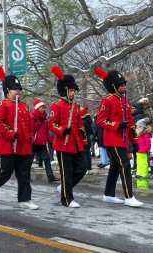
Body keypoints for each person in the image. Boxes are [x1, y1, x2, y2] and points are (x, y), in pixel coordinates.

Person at [0, 66, 39, 210]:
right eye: (15, 88)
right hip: (8, 145)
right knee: (6, 172)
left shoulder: (24, 106)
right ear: (8, 90)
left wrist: (30, 139)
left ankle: (24, 199)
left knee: (24, 174)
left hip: (23, 146)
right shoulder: (2, 105)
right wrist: (10, 132)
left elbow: (28, 126)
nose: (19, 91)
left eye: (19, 88)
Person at [95, 67, 143, 207]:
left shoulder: (126, 102)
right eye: (121, 85)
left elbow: (131, 123)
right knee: (125, 165)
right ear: (114, 86)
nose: (124, 87)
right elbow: (100, 121)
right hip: (112, 139)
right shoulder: (107, 101)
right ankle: (129, 197)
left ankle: (108, 195)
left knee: (116, 167)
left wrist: (134, 140)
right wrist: (116, 125)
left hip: (123, 140)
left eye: (124, 85)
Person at [49, 66, 88, 208]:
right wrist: (61, 130)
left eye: (73, 90)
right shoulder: (57, 105)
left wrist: (84, 141)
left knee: (82, 168)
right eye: (71, 90)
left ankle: (65, 187)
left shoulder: (75, 106)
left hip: (76, 143)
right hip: (62, 143)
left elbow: (80, 125)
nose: (73, 93)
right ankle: (67, 199)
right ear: (64, 90)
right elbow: (51, 124)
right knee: (66, 171)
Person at [30, 99, 59, 182]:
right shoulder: (32, 117)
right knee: (29, 161)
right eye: (41, 107)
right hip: (33, 143)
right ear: (37, 108)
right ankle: (26, 177)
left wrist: (50, 142)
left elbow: (47, 132)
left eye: (44, 107)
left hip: (42, 143)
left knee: (47, 160)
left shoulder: (45, 119)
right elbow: (30, 130)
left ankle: (51, 177)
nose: (43, 109)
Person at [80, 107, 94, 173]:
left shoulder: (83, 122)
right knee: (88, 153)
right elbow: (91, 131)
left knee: (84, 154)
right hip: (88, 138)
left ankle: (85, 167)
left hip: (84, 139)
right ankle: (89, 166)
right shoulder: (89, 121)